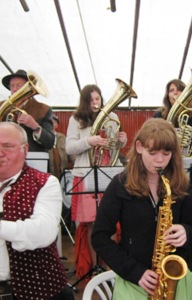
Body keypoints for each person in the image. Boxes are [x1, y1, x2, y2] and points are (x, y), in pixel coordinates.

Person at [92, 118, 192, 299]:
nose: (160, 160)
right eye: (153, 152)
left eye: (166, 153)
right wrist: (135, 272)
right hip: (135, 281)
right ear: (140, 147)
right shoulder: (120, 184)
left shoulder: (180, 184)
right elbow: (99, 237)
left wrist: (186, 232)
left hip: (175, 279)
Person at [0, 122, 73, 299]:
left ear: (25, 149)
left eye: (7, 146)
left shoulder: (45, 182)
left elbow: (44, 232)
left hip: (35, 292)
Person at [65, 84, 128, 278]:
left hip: (108, 172)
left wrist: (121, 140)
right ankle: (95, 267)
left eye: (98, 99)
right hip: (86, 173)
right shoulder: (76, 119)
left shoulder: (113, 118)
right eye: (92, 99)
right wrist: (89, 141)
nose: (96, 102)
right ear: (85, 101)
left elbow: (115, 146)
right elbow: (69, 148)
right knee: (92, 223)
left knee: (109, 221)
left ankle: (110, 267)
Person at [0, 69, 55, 153]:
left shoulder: (44, 109)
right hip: (3, 155)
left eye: (18, 85)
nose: (14, 89)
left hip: (32, 157)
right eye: (11, 86)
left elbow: (50, 143)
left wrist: (34, 126)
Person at [153, 79, 192, 157]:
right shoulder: (159, 115)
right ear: (168, 96)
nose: (175, 92)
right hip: (168, 161)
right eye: (171, 90)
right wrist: (164, 131)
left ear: (186, 93)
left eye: (179, 90)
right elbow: (153, 142)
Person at [49, 114, 70, 179]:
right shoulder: (43, 138)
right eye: (49, 122)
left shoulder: (63, 137)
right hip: (48, 174)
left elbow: (70, 152)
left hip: (62, 173)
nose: (51, 124)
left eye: (54, 122)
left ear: (57, 125)